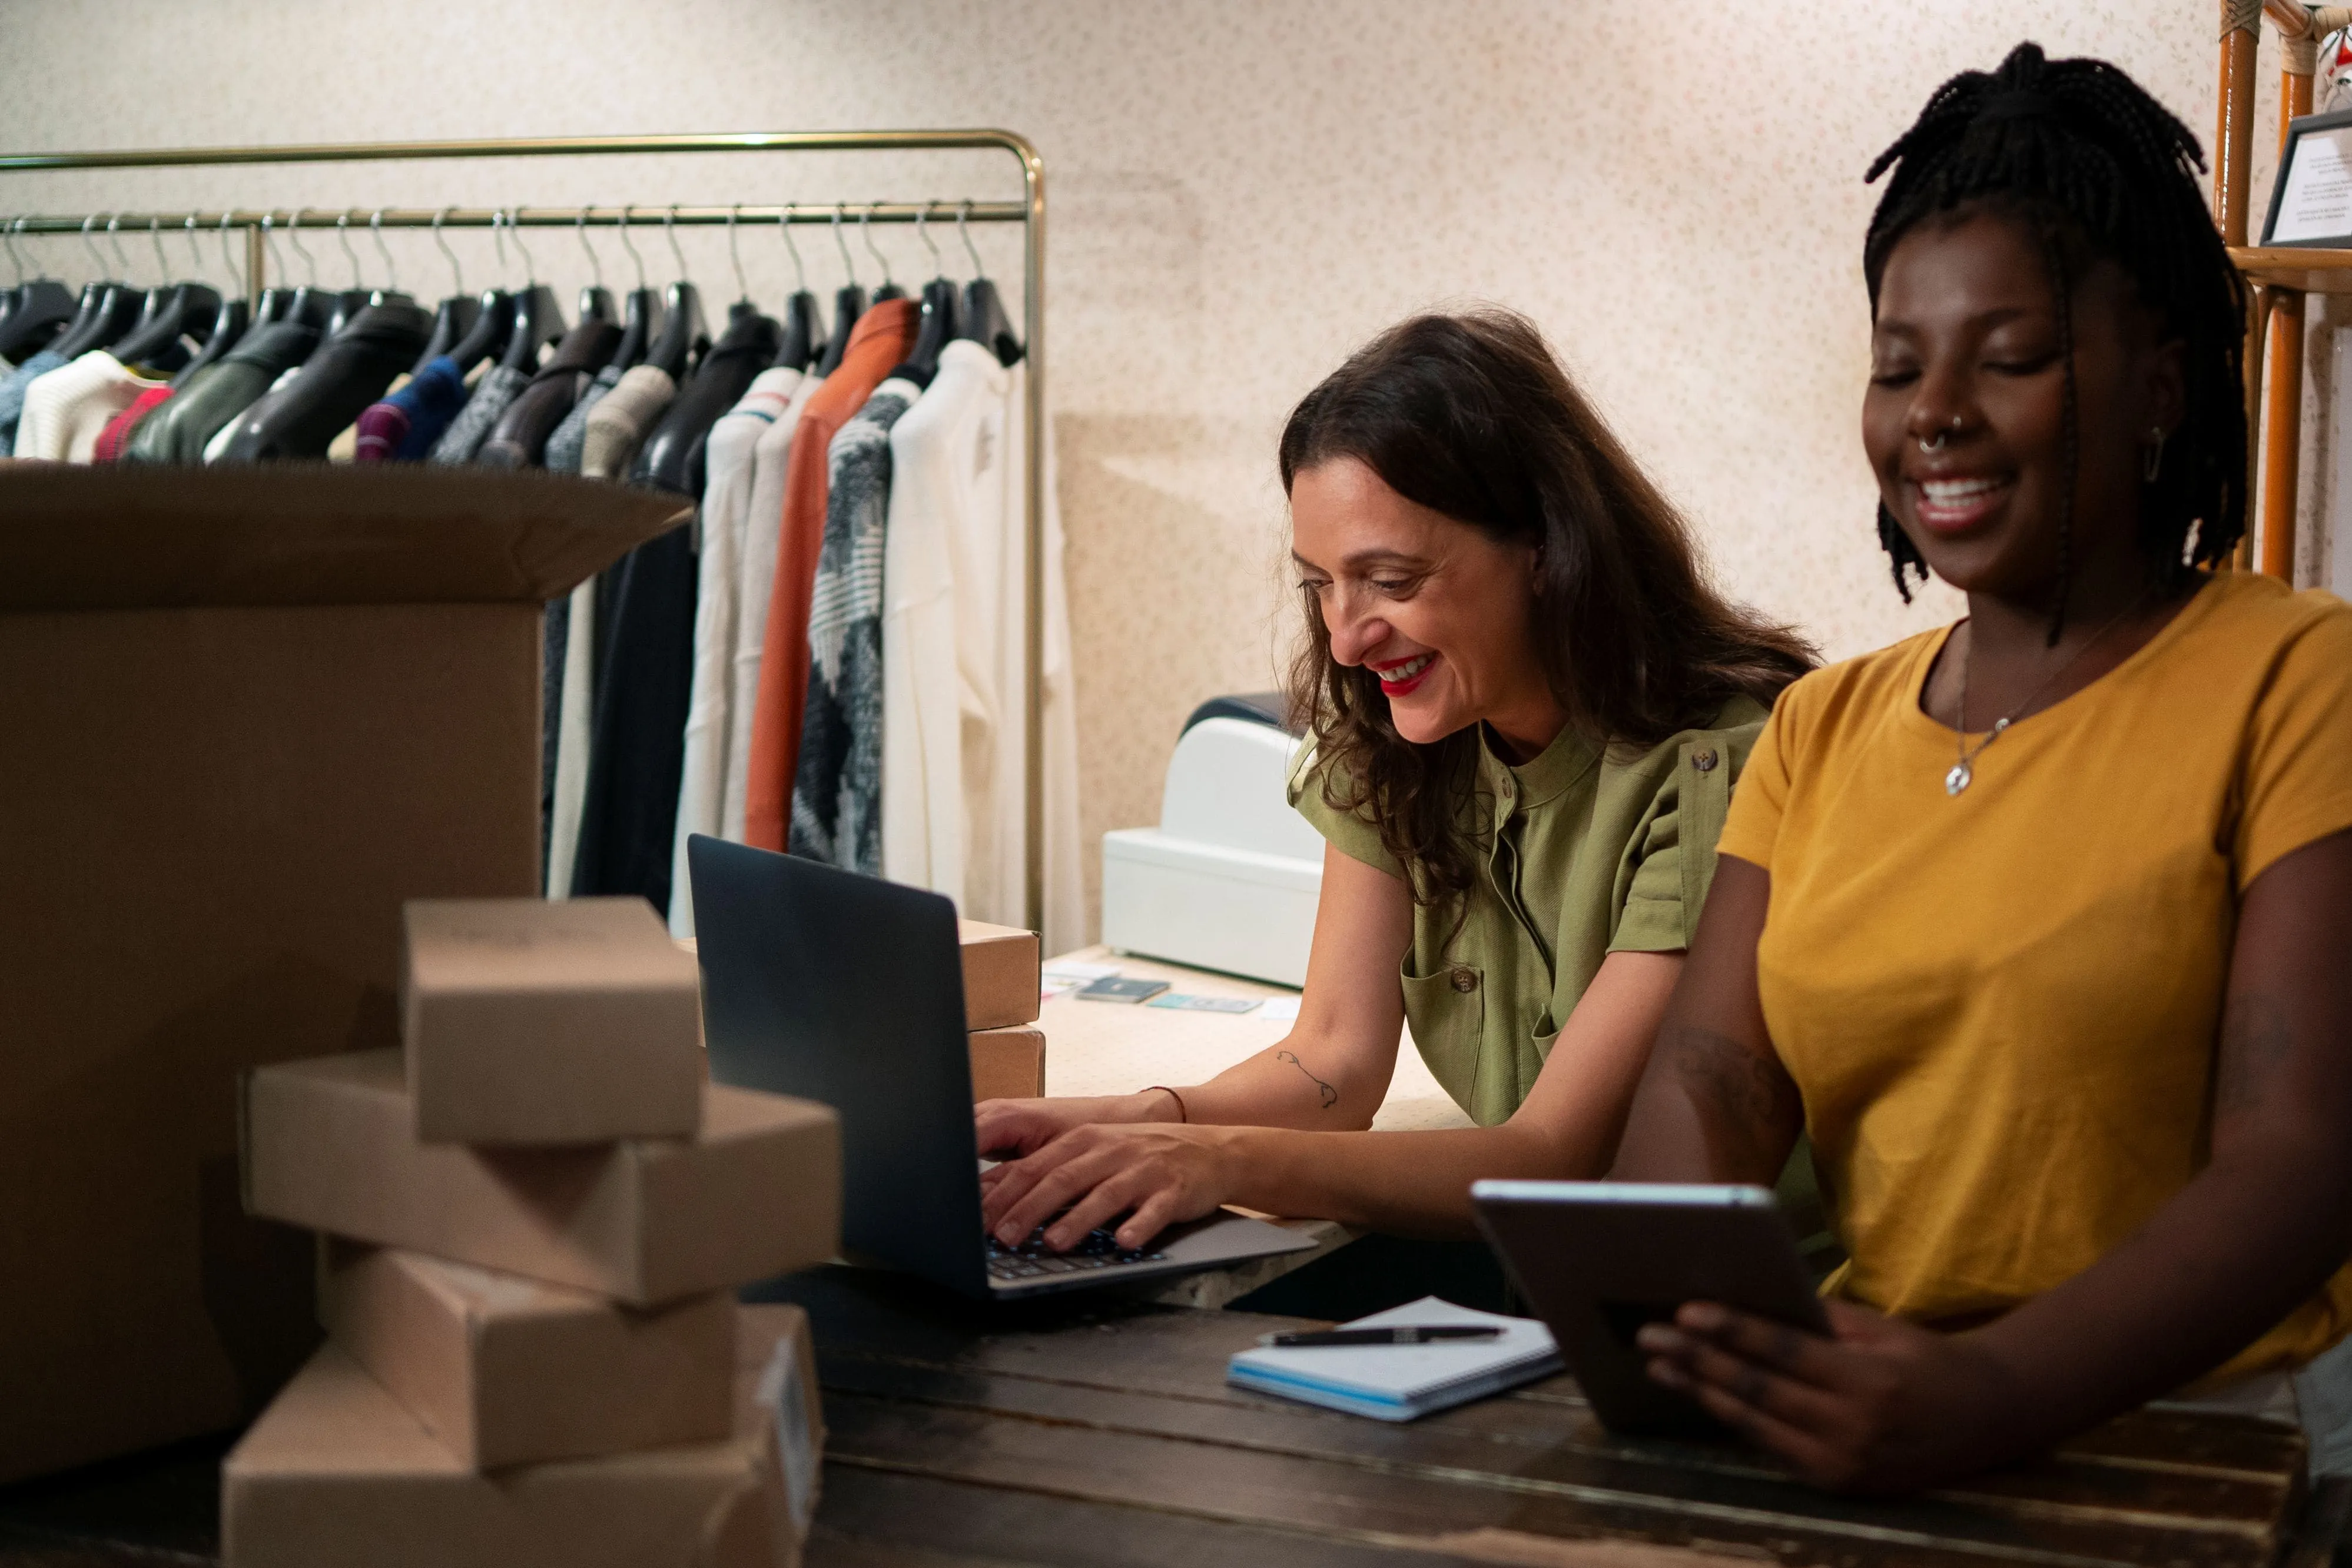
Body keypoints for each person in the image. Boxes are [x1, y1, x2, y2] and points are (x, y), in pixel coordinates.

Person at [1617, 43, 2352, 1491]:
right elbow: (1706, 1091)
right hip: (1886, 1426)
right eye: (1896, 367)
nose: (1933, 412)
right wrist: (1673, 1328)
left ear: (2157, 388)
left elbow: (2300, 1161)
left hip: (2220, 1446)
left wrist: (1995, 1390)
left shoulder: (2298, 680)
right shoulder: (1818, 728)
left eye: (2006, 359)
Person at [978, 309, 1813, 1257]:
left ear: (1546, 547)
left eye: (1391, 581)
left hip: (1735, 1303)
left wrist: (1212, 1159)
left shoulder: (1718, 771)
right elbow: (1331, 1061)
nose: (1345, 638)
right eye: (1319, 585)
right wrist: (1113, 1122)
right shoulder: (1402, 744)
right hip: (1558, 1279)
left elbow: (1553, 1156)